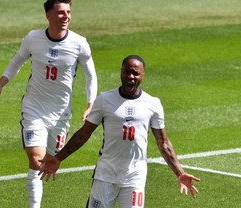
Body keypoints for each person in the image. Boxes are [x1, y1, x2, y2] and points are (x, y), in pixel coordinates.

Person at [38, 55, 201, 208]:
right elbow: (83, 134)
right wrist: (58, 158)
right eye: (127, 72)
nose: (131, 77)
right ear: (121, 72)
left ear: (142, 75)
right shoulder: (104, 99)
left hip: (134, 177)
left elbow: (163, 143)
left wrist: (179, 173)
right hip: (105, 175)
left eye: (135, 73)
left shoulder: (153, 103)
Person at [0, 0, 97, 208]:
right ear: (48, 15)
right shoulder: (33, 38)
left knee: (49, 161)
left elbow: (91, 76)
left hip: (60, 114)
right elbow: (16, 62)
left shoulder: (79, 44)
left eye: (68, 12)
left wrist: (90, 105)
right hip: (34, 109)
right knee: (36, 160)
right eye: (60, 12)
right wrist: (1, 84)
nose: (65, 16)